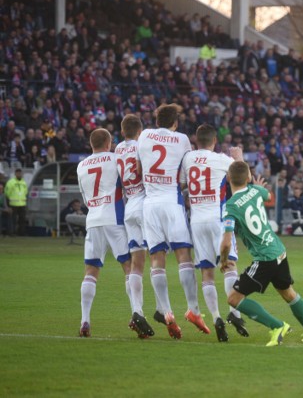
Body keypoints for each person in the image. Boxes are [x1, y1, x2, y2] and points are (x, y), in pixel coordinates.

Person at [220, 161, 303, 346]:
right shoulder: (256, 191)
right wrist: (256, 187)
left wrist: (224, 260)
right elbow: (268, 195)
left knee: (234, 298)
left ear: (227, 178)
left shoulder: (230, 206)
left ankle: (276, 326)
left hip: (264, 259)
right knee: (288, 293)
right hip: (279, 251)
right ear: (249, 177)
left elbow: (226, 242)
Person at [138, 103, 207, 339]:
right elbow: (186, 176)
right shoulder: (182, 140)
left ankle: (166, 312)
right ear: (175, 123)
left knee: (156, 259)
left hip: (149, 204)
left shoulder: (145, 135)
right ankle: (194, 309)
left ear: (157, 121)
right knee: (183, 257)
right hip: (171, 202)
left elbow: (139, 166)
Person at [179, 124, 248, 342]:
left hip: (197, 221)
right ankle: (235, 314)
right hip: (218, 219)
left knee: (206, 273)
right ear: (214, 142)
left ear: (196, 141)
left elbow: (182, 183)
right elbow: (242, 178)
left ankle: (216, 317)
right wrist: (239, 158)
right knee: (229, 267)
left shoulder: (188, 159)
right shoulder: (221, 160)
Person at [76, 129, 136, 337]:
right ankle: (136, 314)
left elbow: (85, 199)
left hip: (93, 220)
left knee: (91, 271)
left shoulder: (81, 165)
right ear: (109, 143)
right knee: (128, 267)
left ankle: (85, 320)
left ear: (91, 144)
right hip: (115, 218)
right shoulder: (115, 158)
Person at [115, 114, 159, 338]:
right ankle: (164, 309)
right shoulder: (143, 145)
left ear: (123, 132)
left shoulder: (118, 150)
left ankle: (136, 311)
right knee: (157, 258)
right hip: (144, 203)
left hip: (129, 206)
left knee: (135, 264)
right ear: (140, 131)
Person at [5, 168, 28, 236]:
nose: (19, 174)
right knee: (13, 219)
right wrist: (10, 200)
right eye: (18, 173)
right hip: (13, 204)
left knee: (22, 220)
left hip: (22, 203)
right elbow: (7, 193)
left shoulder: (23, 182)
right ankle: (12, 232)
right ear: (15, 174)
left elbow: (25, 192)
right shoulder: (11, 182)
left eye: (20, 173)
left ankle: (21, 232)